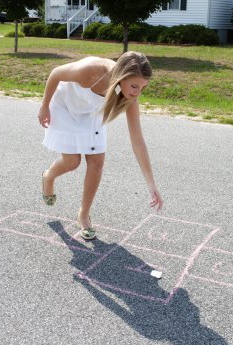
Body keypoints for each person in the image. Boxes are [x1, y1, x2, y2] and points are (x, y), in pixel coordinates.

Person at [38, 51, 163, 240]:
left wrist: (151, 185)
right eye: (134, 85)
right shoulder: (92, 71)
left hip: (91, 112)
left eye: (142, 87)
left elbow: (138, 141)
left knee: (97, 162)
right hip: (65, 106)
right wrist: (44, 105)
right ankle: (48, 177)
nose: (137, 92)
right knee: (72, 162)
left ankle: (83, 214)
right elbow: (56, 73)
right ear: (121, 77)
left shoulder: (129, 95)